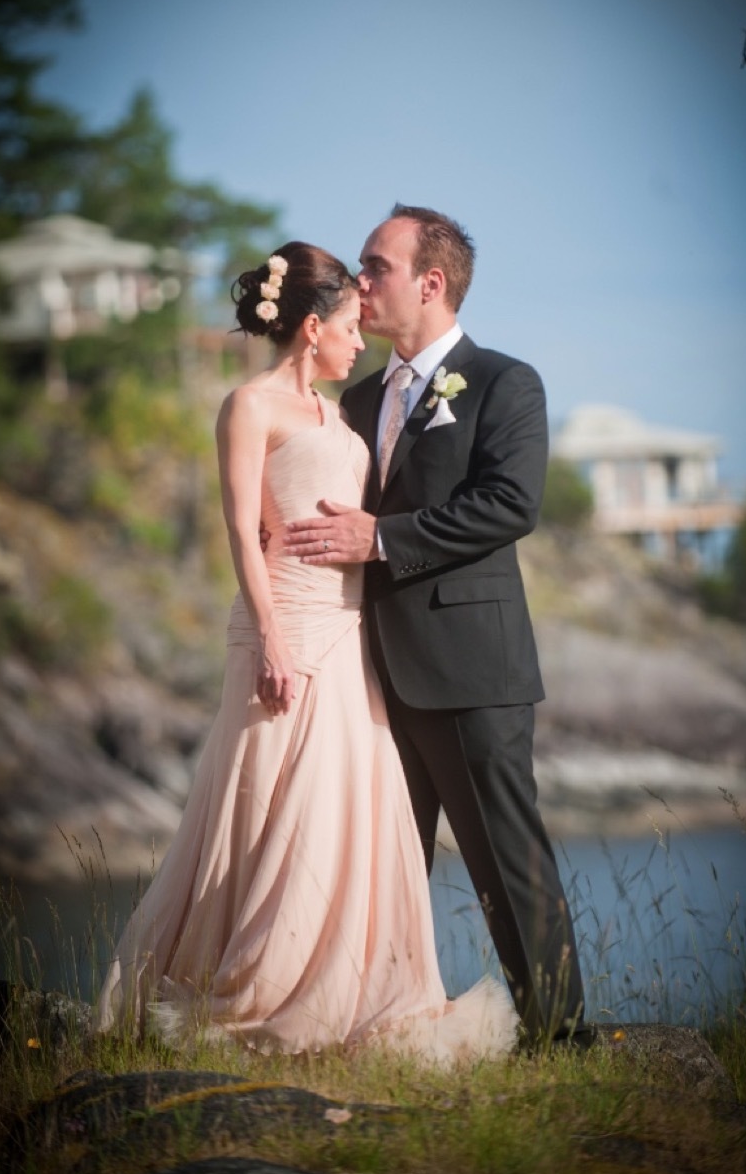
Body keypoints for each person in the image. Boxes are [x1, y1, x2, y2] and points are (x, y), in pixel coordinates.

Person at [94, 241, 517, 1061]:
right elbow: (242, 535)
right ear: (313, 326)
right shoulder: (249, 406)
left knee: (346, 818)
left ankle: (347, 990)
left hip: (351, 636)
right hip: (281, 633)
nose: (361, 342)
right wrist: (273, 643)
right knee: (256, 814)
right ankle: (245, 987)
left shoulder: (344, 412)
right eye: (351, 327)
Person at [283, 206, 593, 1050]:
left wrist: (380, 538)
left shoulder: (504, 381)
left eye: (376, 266)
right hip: (366, 674)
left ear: (432, 282)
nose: (360, 283)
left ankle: (560, 1039)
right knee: (385, 868)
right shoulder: (356, 398)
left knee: (507, 866)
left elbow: (508, 504)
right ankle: (382, 1029)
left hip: (469, 671)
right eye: (358, 268)